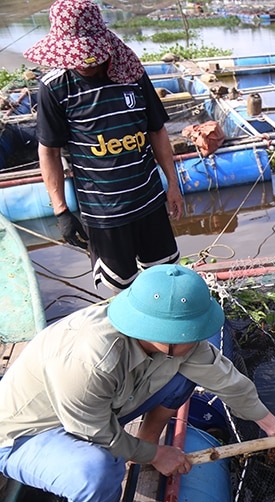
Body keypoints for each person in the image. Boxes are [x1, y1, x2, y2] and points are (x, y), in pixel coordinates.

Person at [0, 264, 275, 502]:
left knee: (182, 380)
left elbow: (226, 378)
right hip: (28, 433)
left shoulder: (174, 342)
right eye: (190, 334)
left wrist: (270, 423)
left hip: (96, 409)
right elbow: (97, 434)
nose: (196, 339)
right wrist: (158, 456)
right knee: (95, 470)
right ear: (158, 333)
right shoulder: (89, 360)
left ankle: (146, 439)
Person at [24, 0, 184, 293]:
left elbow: (157, 130)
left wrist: (172, 184)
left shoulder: (132, 74)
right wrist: (61, 211)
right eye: (77, 57)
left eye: (91, 55)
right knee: (121, 289)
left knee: (166, 279)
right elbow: (49, 151)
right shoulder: (55, 87)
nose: (85, 63)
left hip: (148, 201)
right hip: (104, 214)